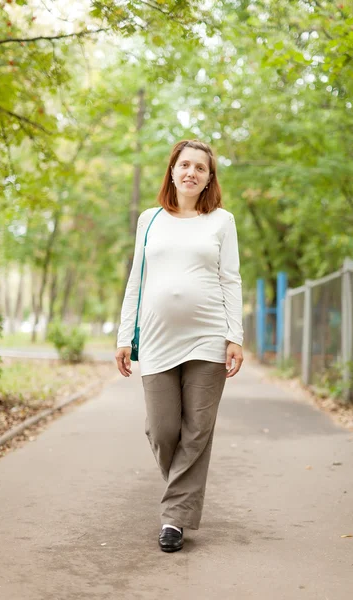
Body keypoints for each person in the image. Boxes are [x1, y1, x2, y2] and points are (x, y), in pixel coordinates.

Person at [115, 139, 244, 553]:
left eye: (200, 168)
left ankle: (175, 518)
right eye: (184, 165)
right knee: (162, 427)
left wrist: (234, 335)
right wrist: (123, 337)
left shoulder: (222, 221)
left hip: (208, 336)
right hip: (155, 338)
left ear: (209, 179)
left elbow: (230, 279)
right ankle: (183, 493)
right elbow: (136, 279)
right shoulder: (149, 220)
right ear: (172, 171)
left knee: (197, 430)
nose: (191, 172)